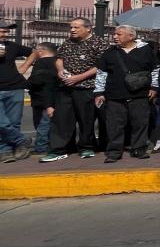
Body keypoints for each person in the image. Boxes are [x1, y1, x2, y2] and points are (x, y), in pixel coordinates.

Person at [41, 17, 110, 162]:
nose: (72, 30)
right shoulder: (67, 43)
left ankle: (86, 147)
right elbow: (59, 59)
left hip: (87, 87)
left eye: (76, 27)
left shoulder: (99, 43)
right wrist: (60, 70)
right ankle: (58, 149)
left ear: (88, 28)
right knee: (62, 119)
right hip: (65, 87)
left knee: (86, 119)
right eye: (71, 27)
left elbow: (101, 66)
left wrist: (79, 77)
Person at [94, 25, 159, 163]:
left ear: (131, 36)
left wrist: (154, 87)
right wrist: (99, 92)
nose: (115, 36)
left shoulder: (146, 51)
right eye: (115, 34)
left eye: (119, 34)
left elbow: (155, 70)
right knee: (114, 125)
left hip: (140, 95)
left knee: (140, 123)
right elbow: (101, 74)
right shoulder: (109, 53)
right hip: (115, 96)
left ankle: (139, 149)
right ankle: (114, 152)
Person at [0, 23, 38, 162]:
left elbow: (34, 52)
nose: (4, 34)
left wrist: (25, 65)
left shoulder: (13, 46)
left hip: (15, 88)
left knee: (14, 122)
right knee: (2, 123)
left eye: (6, 31)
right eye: (1, 31)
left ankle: (7, 151)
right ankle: (22, 140)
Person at [26, 42, 59, 155]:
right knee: (50, 124)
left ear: (40, 51)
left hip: (41, 99)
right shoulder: (58, 62)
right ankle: (50, 145)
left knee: (42, 124)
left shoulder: (41, 62)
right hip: (54, 98)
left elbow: (37, 80)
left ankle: (41, 148)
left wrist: (27, 84)